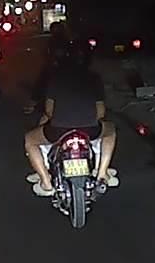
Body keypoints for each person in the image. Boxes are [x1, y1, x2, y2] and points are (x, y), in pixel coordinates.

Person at [24, 41, 117, 197]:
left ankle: (46, 182)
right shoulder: (94, 78)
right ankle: (102, 173)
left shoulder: (55, 78)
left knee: (30, 140)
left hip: (58, 131)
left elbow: (49, 111)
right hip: (90, 130)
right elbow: (100, 112)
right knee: (111, 131)